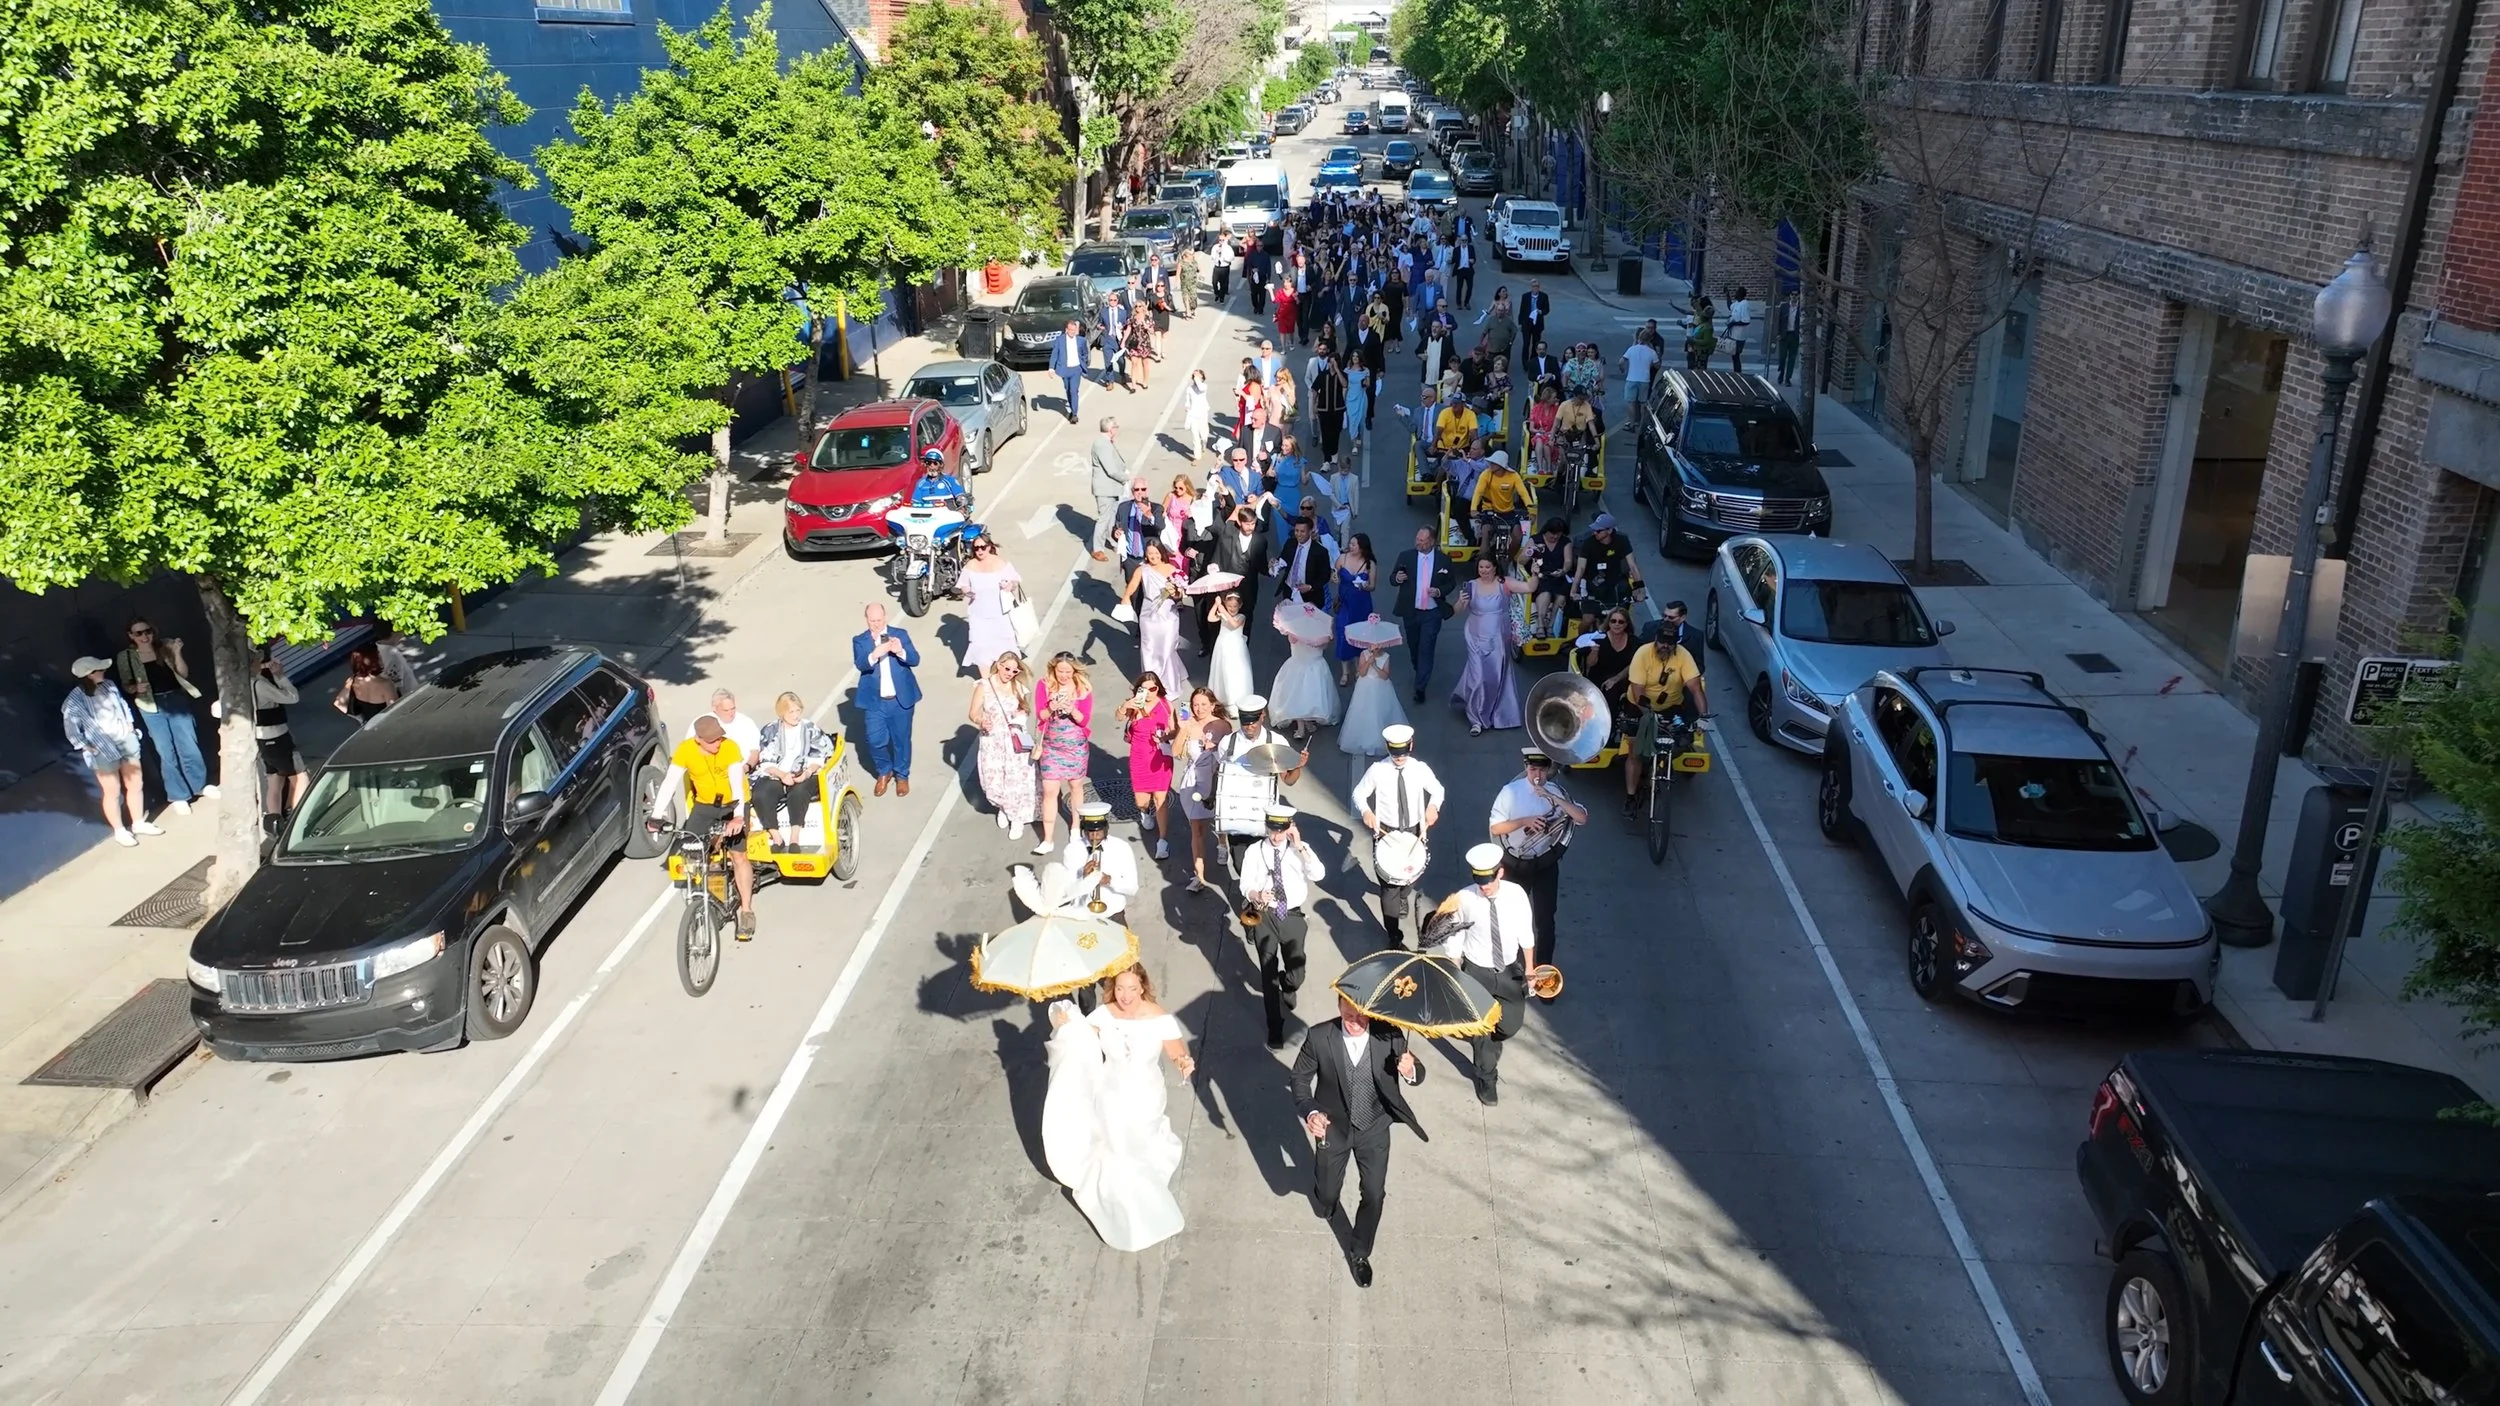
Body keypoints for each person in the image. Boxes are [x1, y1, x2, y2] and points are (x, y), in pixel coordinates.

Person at [1041, 962, 1194, 1253]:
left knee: (1140, 1147)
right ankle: (1129, 1215)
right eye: (1120, 989)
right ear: (1113, 988)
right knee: (1119, 1150)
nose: (1125, 996)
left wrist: (1183, 1062)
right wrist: (1065, 1024)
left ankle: (1141, 1194)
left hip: (1147, 1095)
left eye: (1132, 989)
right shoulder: (1101, 1015)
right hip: (1111, 1096)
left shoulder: (1158, 1017)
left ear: (1142, 987)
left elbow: (1175, 1050)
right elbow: (1081, 1039)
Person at [1291, 990, 1426, 1289]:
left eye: (1361, 1016)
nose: (1355, 1023)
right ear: (1338, 1009)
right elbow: (1299, 1079)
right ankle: (1325, 1197)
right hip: (1333, 1127)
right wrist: (1311, 1112)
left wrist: (1411, 1070)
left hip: (1374, 1127)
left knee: (1375, 1194)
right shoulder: (1319, 1037)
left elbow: (1417, 1070)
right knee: (1326, 1196)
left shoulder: (1389, 1034)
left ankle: (1360, 1252)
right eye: (1348, 1016)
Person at [1435, 844, 1536, 1105]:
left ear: (1500, 873)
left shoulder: (1516, 895)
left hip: (1509, 970)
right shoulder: (1465, 899)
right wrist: (1455, 969)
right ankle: (1486, 1076)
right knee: (1481, 1029)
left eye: (1489, 880)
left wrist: (1531, 969)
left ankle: (1488, 1044)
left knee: (1509, 1025)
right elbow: (1454, 935)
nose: (1484, 886)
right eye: (1479, 881)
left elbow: (1526, 933)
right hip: (1476, 971)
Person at [648, 715, 758, 936]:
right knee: (691, 851)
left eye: (719, 738)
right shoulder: (686, 750)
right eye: (711, 741)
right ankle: (702, 902)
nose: (717, 743)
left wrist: (738, 817)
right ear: (698, 739)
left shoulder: (729, 748)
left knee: (739, 856)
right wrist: (656, 816)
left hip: (733, 804)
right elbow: (670, 782)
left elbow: (737, 785)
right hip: (706, 805)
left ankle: (746, 910)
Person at [1488, 746, 1587, 967]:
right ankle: (1513, 969)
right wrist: (1525, 821)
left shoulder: (1555, 792)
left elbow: (1581, 818)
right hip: (1515, 863)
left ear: (1548, 770)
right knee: (1511, 918)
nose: (1537, 776)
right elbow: (1495, 829)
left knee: (1545, 921)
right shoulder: (1510, 792)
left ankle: (1543, 972)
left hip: (1545, 863)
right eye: (1533, 770)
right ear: (1526, 768)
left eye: (1542, 771)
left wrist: (1552, 797)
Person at [1240, 803, 1325, 1050]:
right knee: (1268, 974)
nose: (1276, 836)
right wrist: (1256, 894)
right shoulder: (1255, 851)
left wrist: (1299, 846)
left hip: (1292, 916)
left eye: (1281, 830)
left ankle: (1289, 985)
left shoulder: (1300, 850)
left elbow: (1319, 874)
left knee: (1297, 969)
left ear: (1290, 828)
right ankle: (1274, 1027)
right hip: (1265, 917)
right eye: (1272, 830)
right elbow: (1245, 883)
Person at [1352, 724, 1441, 945]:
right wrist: (1366, 811)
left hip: (1414, 830)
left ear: (1411, 745)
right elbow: (1359, 793)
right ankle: (1393, 933)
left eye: (1403, 753)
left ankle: (1404, 895)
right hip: (1387, 833)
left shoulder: (1420, 769)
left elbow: (1438, 790)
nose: (1399, 758)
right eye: (1394, 753)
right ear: (1388, 748)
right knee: (1389, 885)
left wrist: (1433, 807)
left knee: (1410, 875)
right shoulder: (1377, 770)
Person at [115, 618, 214, 811]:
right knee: (165, 750)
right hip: (151, 705)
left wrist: (177, 652)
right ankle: (178, 796)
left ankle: (199, 786)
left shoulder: (165, 647)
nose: (145, 636)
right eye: (139, 633)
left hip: (176, 698)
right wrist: (136, 687)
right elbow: (126, 685)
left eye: (147, 631)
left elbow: (183, 674)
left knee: (189, 744)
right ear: (131, 636)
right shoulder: (126, 656)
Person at [64, 656, 158, 846]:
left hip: (125, 739)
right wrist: (86, 746)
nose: (103, 672)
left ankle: (138, 823)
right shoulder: (74, 700)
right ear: (88, 675)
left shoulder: (109, 685)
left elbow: (122, 705)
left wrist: (130, 726)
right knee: (112, 791)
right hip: (103, 748)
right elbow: (71, 727)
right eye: (98, 670)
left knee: (136, 783)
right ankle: (120, 830)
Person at [1625, 618, 1711, 815]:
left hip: (1671, 707)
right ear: (1656, 639)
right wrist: (1649, 716)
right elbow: (1638, 693)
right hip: (1640, 707)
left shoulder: (1683, 656)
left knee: (1682, 738)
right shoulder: (1643, 654)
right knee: (1635, 752)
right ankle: (1630, 796)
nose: (1665, 646)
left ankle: (1662, 766)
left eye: (1670, 643)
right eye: (1662, 641)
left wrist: (1704, 716)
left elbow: (1696, 688)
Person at [1450, 556, 1531, 736]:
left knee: (1495, 676)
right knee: (1477, 677)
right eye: (1481, 567)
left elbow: (1529, 588)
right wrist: (1461, 602)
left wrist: (1536, 573)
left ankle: (1497, 712)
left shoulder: (1505, 583)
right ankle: (1476, 719)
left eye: (1487, 567)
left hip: (1498, 637)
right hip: (1474, 636)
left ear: (1495, 568)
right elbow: (1456, 612)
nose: (1484, 570)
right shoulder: (1471, 585)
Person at [853, 603, 922, 797]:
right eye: (872, 621)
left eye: (879, 620)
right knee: (875, 740)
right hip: (876, 703)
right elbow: (860, 664)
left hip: (900, 700)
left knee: (901, 740)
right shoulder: (860, 640)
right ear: (866, 620)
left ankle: (902, 775)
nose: (876, 624)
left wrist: (900, 651)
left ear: (886, 617)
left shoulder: (900, 634)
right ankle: (884, 771)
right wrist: (875, 654)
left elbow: (915, 659)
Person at [751, 692, 834, 847]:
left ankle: (794, 837)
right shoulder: (770, 730)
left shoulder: (809, 728)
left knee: (798, 792)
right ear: (782, 713)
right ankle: (776, 836)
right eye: (791, 712)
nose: (796, 715)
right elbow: (766, 761)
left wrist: (807, 773)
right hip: (776, 773)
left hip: (804, 772)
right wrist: (782, 775)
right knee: (761, 794)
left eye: (798, 711)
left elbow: (819, 756)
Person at [971, 651, 1040, 839]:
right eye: (1007, 668)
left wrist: (1019, 719)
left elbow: (1025, 710)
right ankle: (1002, 807)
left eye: (1014, 670)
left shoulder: (1018, 687)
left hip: (1014, 739)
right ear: (999, 665)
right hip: (992, 740)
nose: (1010, 673)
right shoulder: (984, 686)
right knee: (992, 781)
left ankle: (1016, 817)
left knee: (1016, 780)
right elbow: (973, 713)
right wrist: (981, 720)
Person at [1170, 687, 1231, 893]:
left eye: (1204, 704)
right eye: (1195, 704)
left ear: (1213, 705)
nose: (1199, 708)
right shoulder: (1189, 725)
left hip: (1215, 781)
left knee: (1219, 821)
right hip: (1193, 782)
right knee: (1196, 830)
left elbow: (1229, 755)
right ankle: (1199, 877)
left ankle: (1222, 844)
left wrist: (1212, 748)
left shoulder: (1222, 725)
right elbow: (1175, 752)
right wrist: (1183, 730)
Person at [1033, 653, 1095, 856]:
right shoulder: (1044, 685)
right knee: (1050, 790)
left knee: (1076, 786)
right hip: (1051, 746)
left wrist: (1071, 709)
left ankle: (1076, 828)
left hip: (1075, 746)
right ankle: (1047, 838)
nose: (1064, 675)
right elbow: (1040, 715)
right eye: (1061, 671)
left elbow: (1084, 720)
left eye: (1068, 671)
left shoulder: (1083, 689)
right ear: (1054, 669)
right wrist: (1051, 707)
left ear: (1075, 671)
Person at [1389, 526, 1456, 703]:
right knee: (1414, 647)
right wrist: (1397, 578)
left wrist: (1439, 591)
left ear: (1432, 541)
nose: (1417, 542)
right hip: (1411, 611)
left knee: (1426, 648)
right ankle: (1420, 669)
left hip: (1432, 613)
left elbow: (1451, 583)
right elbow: (1392, 578)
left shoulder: (1444, 560)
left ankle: (1420, 687)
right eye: (1417, 539)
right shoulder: (1406, 556)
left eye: (1422, 540)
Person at [1266, 590, 1342, 744]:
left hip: (1314, 666)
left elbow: (1326, 643)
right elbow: (1292, 640)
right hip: (1298, 665)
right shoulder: (1294, 627)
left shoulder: (1323, 629)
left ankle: (1307, 721)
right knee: (1297, 695)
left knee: (1310, 694)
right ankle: (1301, 725)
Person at [1116, 675, 1177, 860]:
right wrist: (1125, 707)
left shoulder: (1166, 705)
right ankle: (1145, 812)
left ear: (1158, 688)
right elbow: (1118, 718)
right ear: (1138, 689)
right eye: (1145, 689)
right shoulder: (1133, 705)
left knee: (1161, 798)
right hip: (1139, 757)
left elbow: (1174, 729)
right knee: (1141, 801)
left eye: (1153, 689)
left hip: (1160, 756)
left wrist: (1167, 736)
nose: (1149, 693)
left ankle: (1162, 841)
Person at [1118, 541, 1191, 692]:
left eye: (1156, 553)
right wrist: (1125, 597)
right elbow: (1132, 585)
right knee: (1149, 648)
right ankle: (1150, 683)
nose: (1153, 556)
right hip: (1148, 615)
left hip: (1168, 614)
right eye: (1150, 553)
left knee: (1167, 648)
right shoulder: (1142, 569)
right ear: (1146, 554)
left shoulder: (1172, 569)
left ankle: (1169, 685)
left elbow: (1179, 595)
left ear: (1161, 553)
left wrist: (1175, 593)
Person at [247, 648, 308, 824]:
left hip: (261, 739)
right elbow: (292, 697)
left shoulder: (243, 684)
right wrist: (281, 677)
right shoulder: (260, 685)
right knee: (300, 777)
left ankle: (274, 822)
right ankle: (298, 819)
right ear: (253, 664)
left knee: (274, 779)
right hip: (278, 736)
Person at [1055, 801, 1141, 914]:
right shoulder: (1072, 849)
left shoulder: (1121, 847)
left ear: (1106, 828)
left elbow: (1132, 888)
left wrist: (1110, 880)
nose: (1093, 836)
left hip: (1113, 910)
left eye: (1098, 831)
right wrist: (1083, 877)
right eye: (1088, 831)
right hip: (1082, 911)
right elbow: (1066, 890)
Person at [959, 534, 1023, 676]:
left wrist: (1009, 585)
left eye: (983, 547)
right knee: (981, 647)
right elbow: (964, 585)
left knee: (1004, 645)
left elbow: (1015, 580)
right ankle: (987, 681)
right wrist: (970, 593)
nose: (980, 551)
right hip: (978, 615)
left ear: (990, 547)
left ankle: (1007, 675)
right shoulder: (970, 565)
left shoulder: (1001, 563)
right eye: (976, 548)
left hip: (1000, 613)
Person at [1572, 513, 1646, 631]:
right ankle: (1581, 642)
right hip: (1591, 583)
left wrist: (1640, 589)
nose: (1595, 533)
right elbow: (1580, 568)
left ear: (1609, 530)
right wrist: (1574, 590)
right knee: (1587, 619)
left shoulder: (1622, 541)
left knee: (1620, 619)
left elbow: (1632, 565)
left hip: (1613, 584)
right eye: (1594, 530)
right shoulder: (1588, 543)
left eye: (1598, 531)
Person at [1329, 534, 1376, 686]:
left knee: (1360, 635)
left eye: (1354, 544)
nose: (1351, 546)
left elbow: (1372, 586)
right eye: (1350, 544)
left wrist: (1365, 586)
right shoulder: (1342, 559)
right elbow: (1334, 574)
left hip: (1362, 604)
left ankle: (1358, 666)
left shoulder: (1370, 564)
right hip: (1345, 603)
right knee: (1343, 633)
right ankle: (1345, 671)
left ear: (1362, 547)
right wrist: (1334, 578)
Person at [1468, 449, 1532, 548]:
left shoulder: (1514, 476)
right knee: (1486, 534)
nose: (1491, 464)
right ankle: (1482, 559)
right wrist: (1473, 509)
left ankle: (1509, 560)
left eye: (1494, 463)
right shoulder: (1486, 474)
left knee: (1518, 536)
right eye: (1491, 462)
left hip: (1508, 511)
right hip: (1489, 510)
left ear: (1501, 465)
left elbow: (1523, 493)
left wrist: (1531, 509)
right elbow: (1478, 492)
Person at [1524, 518, 1576, 639]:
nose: (1556, 536)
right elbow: (1521, 560)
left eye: (1559, 534)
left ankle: (1551, 625)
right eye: (1553, 533)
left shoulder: (1565, 542)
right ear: (1546, 531)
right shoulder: (1535, 540)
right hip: (1540, 575)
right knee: (1545, 591)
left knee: (1562, 593)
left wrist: (1563, 571)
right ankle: (1540, 625)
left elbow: (1568, 561)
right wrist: (1531, 551)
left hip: (1558, 575)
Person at [1204, 589, 1255, 708]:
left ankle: (1235, 699)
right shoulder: (1223, 613)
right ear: (1226, 605)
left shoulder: (1241, 617)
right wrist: (1216, 605)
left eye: (1235, 606)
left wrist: (1223, 610)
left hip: (1236, 648)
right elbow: (1210, 618)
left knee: (1234, 671)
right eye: (1229, 606)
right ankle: (1222, 697)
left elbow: (1234, 624)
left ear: (1240, 605)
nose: (1232, 609)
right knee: (1223, 670)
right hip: (1222, 646)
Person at [1089, 418, 1130, 563]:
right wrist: (1125, 478)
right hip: (1105, 489)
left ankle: (1113, 542)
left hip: (1111, 488)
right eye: (1116, 427)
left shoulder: (1106, 442)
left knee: (1112, 517)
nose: (1117, 430)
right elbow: (1111, 470)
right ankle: (1098, 549)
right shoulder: (1102, 444)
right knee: (1104, 519)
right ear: (1111, 429)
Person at [1274, 512, 1333, 610]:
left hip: (1310, 596)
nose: (1298, 534)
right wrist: (1275, 563)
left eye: (1302, 531)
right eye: (1296, 531)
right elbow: (1282, 559)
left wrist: (1310, 586)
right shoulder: (1290, 543)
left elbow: (1325, 576)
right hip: (1289, 590)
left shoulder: (1320, 551)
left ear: (1310, 532)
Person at [1107, 477, 1164, 574]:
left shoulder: (1156, 508)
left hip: (1149, 558)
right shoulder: (1123, 507)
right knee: (1131, 587)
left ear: (1147, 490)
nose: (1140, 492)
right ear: (1132, 491)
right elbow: (1117, 527)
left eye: (1143, 489)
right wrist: (1116, 533)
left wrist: (1149, 515)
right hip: (1130, 559)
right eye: (1136, 489)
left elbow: (1161, 526)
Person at [691, 687, 763, 761]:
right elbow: (690, 750)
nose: (731, 713)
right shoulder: (701, 723)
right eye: (726, 710)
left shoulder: (747, 722)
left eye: (733, 708)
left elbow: (755, 752)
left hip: (744, 768)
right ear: (714, 708)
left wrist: (746, 767)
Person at [332, 645, 398, 725]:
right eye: (378, 657)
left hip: (368, 726)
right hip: (384, 725)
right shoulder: (385, 684)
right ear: (374, 661)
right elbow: (394, 711)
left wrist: (360, 718)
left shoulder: (352, 681)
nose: (381, 659)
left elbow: (338, 703)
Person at [1051, 318, 1089, 423]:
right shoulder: (1060, 340)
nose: (1073, 332)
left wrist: (1083, 364)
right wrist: (1051, 368)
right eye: (1071, 330)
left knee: (1074, 391)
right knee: (1068, 390)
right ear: (1066, 330)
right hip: (1064, 369)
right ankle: (1072, 409)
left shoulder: (1081, 341)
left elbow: (1085, 353)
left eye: (1074, 330)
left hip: (1076, 369)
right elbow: (1055, 354)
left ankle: (1075, 414)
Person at [1620, 331, 1659, 417]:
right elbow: (1657, 366)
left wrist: (1622, 370)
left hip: (1631, 379)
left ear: (1639, 338)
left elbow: (1621, 362)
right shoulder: (1651, 352)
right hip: (1644, 380)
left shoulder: (1631, 349)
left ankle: (1632, 422)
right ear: (1649, 340)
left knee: (1631, 403)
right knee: (1643, 403)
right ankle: (1641, 423)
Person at [1181, 369, 1212, 462]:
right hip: (1193, 414)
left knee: (1203, 434)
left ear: (1202, 377)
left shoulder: (1204, 386)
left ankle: (1204, 443)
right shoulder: (1189, 388)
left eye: (1198, 376)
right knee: (1195, 435)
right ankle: (1197, 456)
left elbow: (1201, 388)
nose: (1195, 378)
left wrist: (1197, 378)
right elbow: (1187, 401)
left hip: (1202, 413)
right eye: (1194, 376)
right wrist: (1187, 407)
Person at [1725, 285, 1757, 376]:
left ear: (1741, 295)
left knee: (1736, 355)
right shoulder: (1737, 303)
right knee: (1734, 355)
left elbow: (1746, 321)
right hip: (1733, 334)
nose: (1735, 294)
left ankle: (1738, 373)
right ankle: (1737, 372)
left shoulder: (1745, 304)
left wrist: (1733, 323)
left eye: (1737, 292)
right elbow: (1730, 306)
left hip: (1740, 336)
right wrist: (1727, 295)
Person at [1776, 289, 1804, 385]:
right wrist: (1778, 333)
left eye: (1796, 295)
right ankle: (1781, 373)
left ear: (1799, 296)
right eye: (1792, 294)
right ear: (1790, 296)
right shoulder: (1784, 307)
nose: (1794, 297)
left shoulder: (1801, 308)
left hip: (1794, 335)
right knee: (1782, 357)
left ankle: (1788, 378)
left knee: (1792, 358)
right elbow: (1779, 321)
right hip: (1784, 334)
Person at [1518, 279, 1550, 352]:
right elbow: (1522, 310)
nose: (1535, 288)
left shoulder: (1544, 296)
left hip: (1537, 323)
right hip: (1526, 323)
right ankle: (1525, 362)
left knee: (1536, 344)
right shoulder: (1525, 296)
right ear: (1531, 287)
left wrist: (1541, 311)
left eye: (1537, 286)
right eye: (1534, 286)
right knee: (1526, 343)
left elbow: (1547, 309)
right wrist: (1520, 323)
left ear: (1539, 287)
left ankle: (1533, 359)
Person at [1211, 236, 1234, 301]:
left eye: (1222, 240)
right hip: (1217, 267)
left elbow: (1232, 257)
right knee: (1214, 282)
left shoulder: (1228, 248)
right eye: (1219, 240)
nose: (1221, 241)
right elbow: (1212, 257)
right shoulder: (1215, 247)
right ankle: (1217, 293)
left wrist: (1224, 257)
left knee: (1223, 284)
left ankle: (1221, 297)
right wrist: (1217, 253)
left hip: (1224, 267)